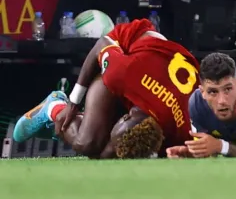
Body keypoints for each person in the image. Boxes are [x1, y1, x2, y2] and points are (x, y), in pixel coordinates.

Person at [12, 19, 200, 159]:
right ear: (125, 115)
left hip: (153, 76)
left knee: (105, 156)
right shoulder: (123, 73)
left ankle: (73, 125)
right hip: (125, 49)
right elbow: (100, 46)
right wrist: (73, 102)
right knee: (86, 144)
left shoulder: (180, 134)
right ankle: (55, 108)